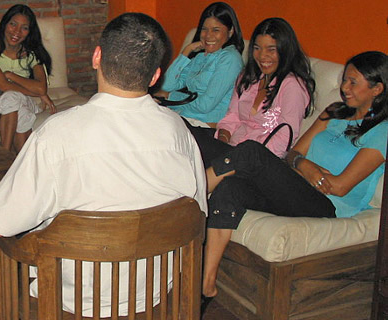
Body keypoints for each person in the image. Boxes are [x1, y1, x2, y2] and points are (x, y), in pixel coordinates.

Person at [0, 13, 207, 316]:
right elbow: (198, 217)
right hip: (154, 296)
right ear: (155, 76)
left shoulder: (55, 134)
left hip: (71, 302)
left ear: (97, 57)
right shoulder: (180, 132)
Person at [201, 51, 388, 308]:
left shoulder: (382, 131)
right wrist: (306, 166)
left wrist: (305, 169)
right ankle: (206, 285)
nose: (344, 87)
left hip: (328, 205)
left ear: (377, 88)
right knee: (232, 186)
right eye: (344, 79)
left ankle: (193, 199)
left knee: (252, 152)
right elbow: (294, 154)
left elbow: (340, 186)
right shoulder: (333, 112)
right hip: (299, 186)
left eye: (353, 82)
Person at [189, 17, 315, 166]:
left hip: (257, 161)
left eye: (271, 49)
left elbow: (285, 138)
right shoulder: (248, 78)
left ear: (285, 50)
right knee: (189, 135)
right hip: (230, 150)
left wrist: (239, 159)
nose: (262, 56)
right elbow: (232, 117)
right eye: (257, 48)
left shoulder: (292, 85)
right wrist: (222, 140)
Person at [154, 2, 244, 127]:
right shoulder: (201, 57)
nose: (208, 36)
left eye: (216, 30)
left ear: (231, 31)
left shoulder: (230, 58)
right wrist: (186, 52)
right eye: (204, 29)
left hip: (204, 125)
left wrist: (170, 96)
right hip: (183, 117)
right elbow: (167, 84)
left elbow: (205, 105)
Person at [0, 4, 56, 153]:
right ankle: (18, 163)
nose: (17, 32)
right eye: (13, 24)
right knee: (12, 99)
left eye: (24, 28)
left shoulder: (32, 52)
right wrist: (37, 93)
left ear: (29, 32)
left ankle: (4, 153)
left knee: (12, 96)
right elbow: (2, 86)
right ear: (5, 24)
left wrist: (10, 75)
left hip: (26, 100)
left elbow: (41, 87)